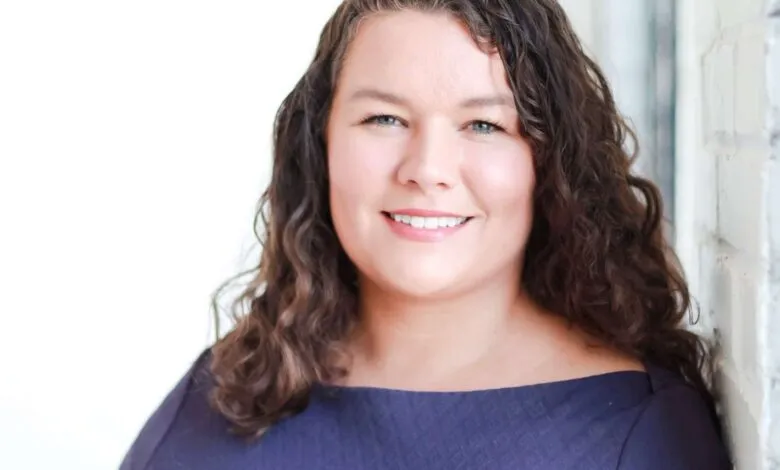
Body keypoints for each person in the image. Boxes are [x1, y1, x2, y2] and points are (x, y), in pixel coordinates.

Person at [120, 0, 732, 468]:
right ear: (320, 143)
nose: (427, 169)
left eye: (484, 125)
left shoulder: (639, 432)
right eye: (384, 118)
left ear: (550, 162)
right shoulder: (222, 400)